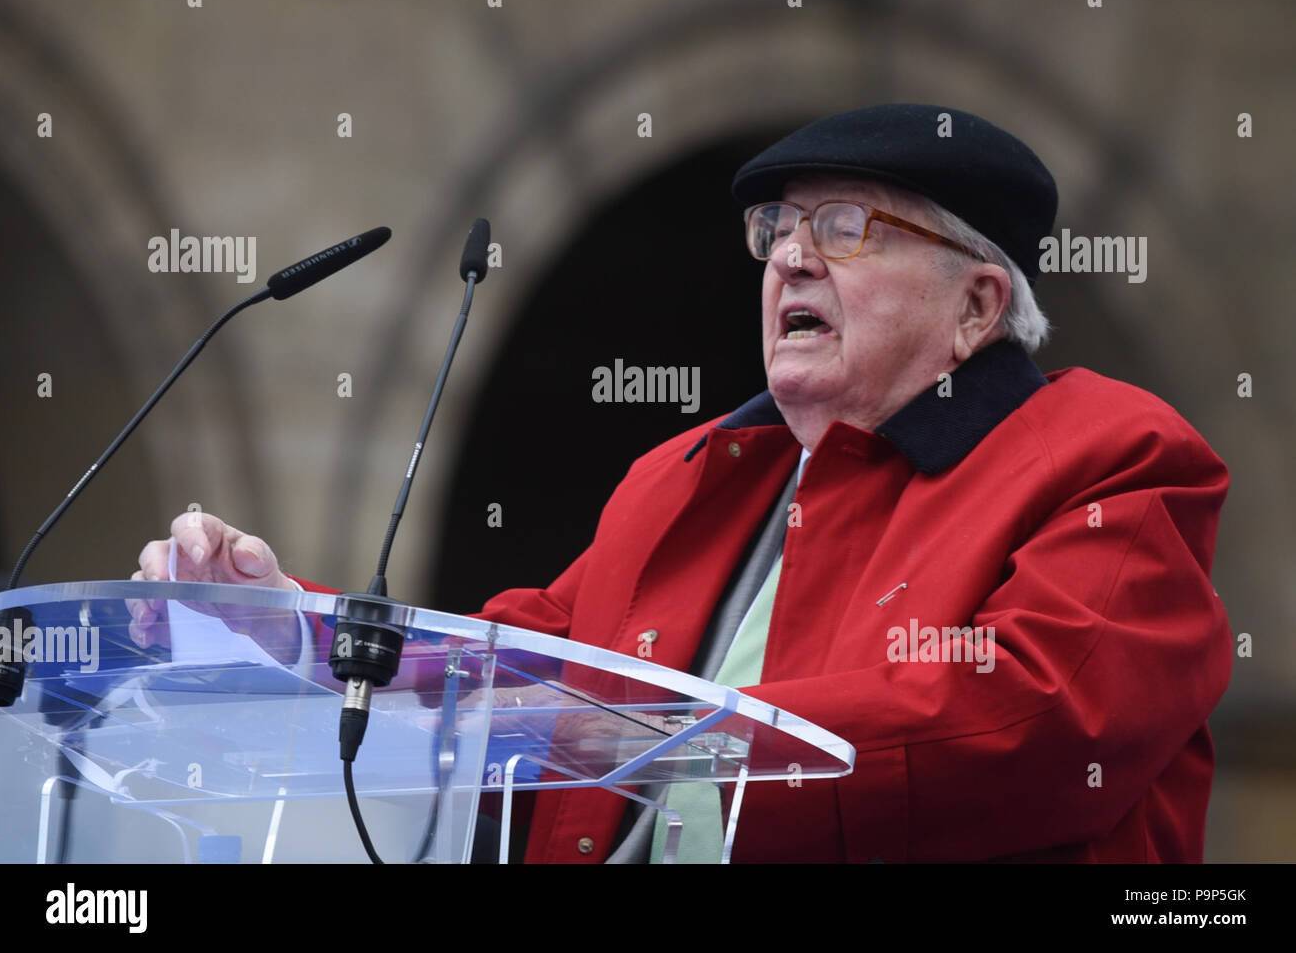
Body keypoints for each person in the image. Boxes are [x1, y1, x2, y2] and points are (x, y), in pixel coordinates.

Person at [130, 103, 1233, 863]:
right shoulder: (687, 478)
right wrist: (298, 629)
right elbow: (524, 657)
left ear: (977, 308)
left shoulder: (1113, 455)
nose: (790, 259)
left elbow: (1036, 719)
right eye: (776, 230)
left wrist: (684, 733)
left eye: (844, 228)